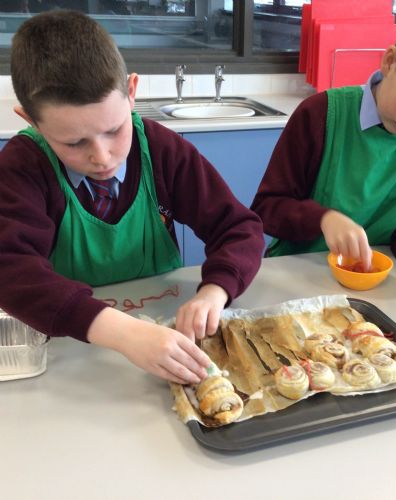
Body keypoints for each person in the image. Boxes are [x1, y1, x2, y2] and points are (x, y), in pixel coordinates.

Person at [0, 10, 264, 384]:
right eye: (74, 143)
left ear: (132, 91)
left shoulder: (163, 150)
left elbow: (239, 229)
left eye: (114, 130)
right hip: (74, 348)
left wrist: (215, 290)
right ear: (31, 121)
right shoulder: (22, 167)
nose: (102, 157)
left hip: (166, 330)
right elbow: (10, 269)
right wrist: (123, 333)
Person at [251, 1, 396, 315]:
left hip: (383, 292)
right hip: (296, 279)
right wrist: (324, 219)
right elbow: (268, 207)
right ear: (390, 61)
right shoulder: (321, 114)